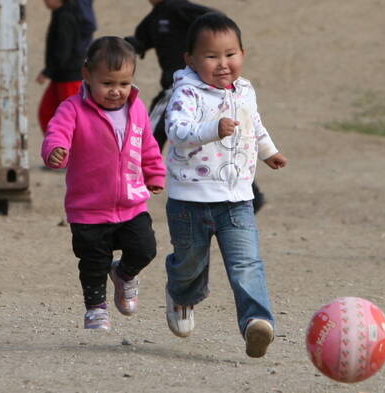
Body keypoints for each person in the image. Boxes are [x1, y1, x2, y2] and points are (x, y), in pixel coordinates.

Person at [162, 12, 288, 358]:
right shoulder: (187, 92)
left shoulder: (245, 90)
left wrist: (269, 152)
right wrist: (212, 129)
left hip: (236, 199)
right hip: (190, 200)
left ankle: (256, 323)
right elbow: (177, 132)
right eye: (211, 56)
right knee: (190, 263)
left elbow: (254, 125)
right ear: (190, 59)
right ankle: (181, 295)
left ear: (243, 54)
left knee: (247, 263)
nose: (222, 64)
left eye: (230, 54)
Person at [41, 36, 166, 331]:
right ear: (87, 75)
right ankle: (96, 309)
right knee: (93, 263)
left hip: (131, 203)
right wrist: (55, 151)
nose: (116, 91)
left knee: (145, 248)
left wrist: (155, 173)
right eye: (108, 83)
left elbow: (146, 144)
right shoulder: (72, 109)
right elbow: (56, 134)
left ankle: (124, 274)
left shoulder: (135, 109)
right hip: (89, 208)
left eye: (123, 83)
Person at [125, 0, 267, 213]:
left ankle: (127, 188)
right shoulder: (154, 18)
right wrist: (120, 48)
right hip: (184, 89)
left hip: (182, 88)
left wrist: (203, 42)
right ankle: (253, 195)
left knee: (146, 134)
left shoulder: (180, 8)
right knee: (209, 145)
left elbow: (215, 17)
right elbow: (138, 42)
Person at [37, 0, 85, 135]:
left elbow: (64, 49)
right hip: (60, 76)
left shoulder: (66, 17)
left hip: (69, 78)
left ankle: (70, 150)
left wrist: (48, 71)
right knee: (47, 112)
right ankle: (56, 147)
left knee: (71, 117)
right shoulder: (61, 13)